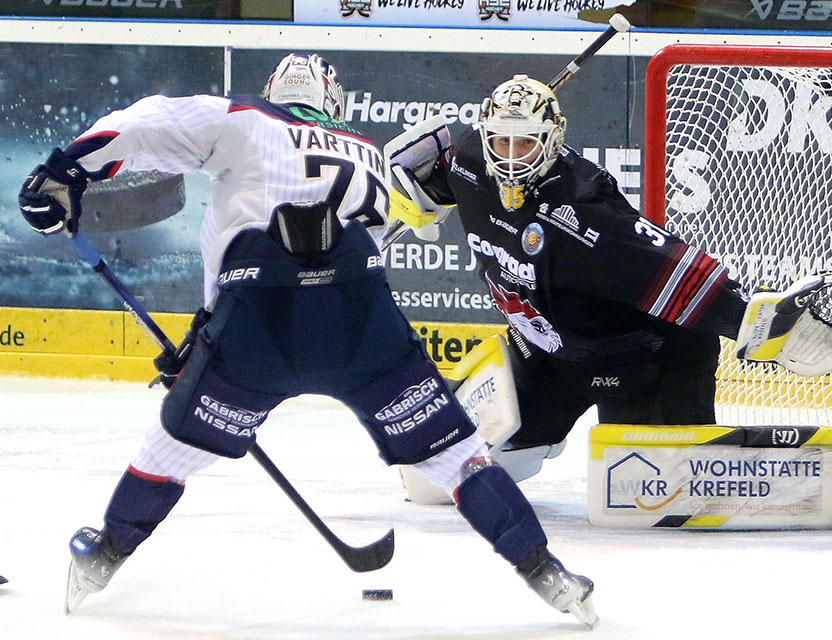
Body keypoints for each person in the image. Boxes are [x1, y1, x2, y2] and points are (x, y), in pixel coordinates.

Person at [18, 55, 597, 627]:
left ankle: (104, 556)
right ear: (334, 104)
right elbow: (346, 257)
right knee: (457, 458)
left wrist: (67, 168)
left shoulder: (247, 119)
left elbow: (146, 123)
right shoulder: (369, 155)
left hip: (256, 328)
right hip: (363, 328)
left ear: (271, 91)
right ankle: (546, 571)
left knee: (169, 453)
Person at [387, 74, 832, 485]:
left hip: (641, 359)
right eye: (501, 141)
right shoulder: (472, 161)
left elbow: (682, 274)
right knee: (439, 473)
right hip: (547, 355)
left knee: (655, 490)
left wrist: (756, 322)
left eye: (526, 143)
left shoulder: (586, 215)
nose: (511, 157)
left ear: (553, 139)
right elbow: (443, 166)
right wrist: (419, 185)